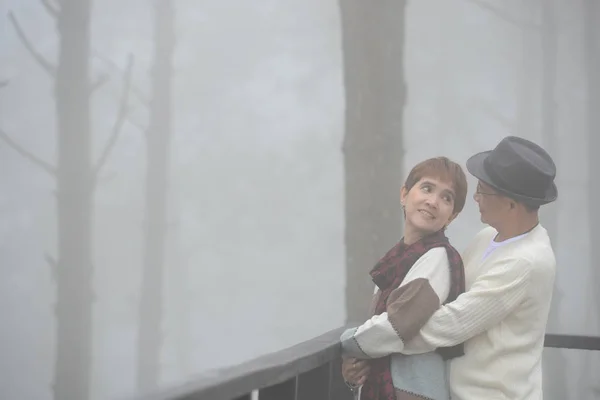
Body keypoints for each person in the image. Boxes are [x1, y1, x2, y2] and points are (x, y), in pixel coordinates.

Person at [344, 136, 558, 400]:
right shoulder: (487, 237)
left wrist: (365, 342)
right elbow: (448, 297)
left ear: (511, 204)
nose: (476, 198)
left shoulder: (527, 261)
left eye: (483, 191)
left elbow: (450, 323)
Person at [340, 156, 469, 400]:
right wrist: (355, 368)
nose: (433, 202)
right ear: (404, 195)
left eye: (446, 198)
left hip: (414, 392)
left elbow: (395, 327)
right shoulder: (398, 260)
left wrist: (347, 344)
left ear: (452, 216)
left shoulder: (438, 258)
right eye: (427, 188)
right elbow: (378, 336)